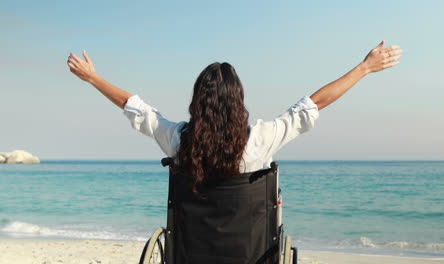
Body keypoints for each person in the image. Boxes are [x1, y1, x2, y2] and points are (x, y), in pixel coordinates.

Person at [67, 40, 402, 193]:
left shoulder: (178, 140)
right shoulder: (260, 140)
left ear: (198, 101)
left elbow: (136, 108)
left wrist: (93, 78)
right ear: (238, 102)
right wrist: (364, 68)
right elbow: (313, 104)